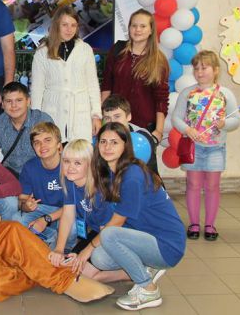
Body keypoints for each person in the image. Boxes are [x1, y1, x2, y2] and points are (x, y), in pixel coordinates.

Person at [71, 123, 186, 311]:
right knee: (100, 258)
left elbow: (117, 222)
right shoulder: (110, 172)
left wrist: (85, 251)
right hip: (145, 238)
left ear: (125, 146)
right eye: (103, 142)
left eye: (114, 142)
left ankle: (148, 289)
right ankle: (148, 268)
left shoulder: (132, 175)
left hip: (167, 244)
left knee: (108, 236)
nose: (107, 147)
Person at [171, 50, 240, 241]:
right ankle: (194, 223)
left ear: (216, 70)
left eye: (204, 68)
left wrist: (225, 123)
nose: (199, 72)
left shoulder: (225, 94)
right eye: (196, 68)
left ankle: (210, 225)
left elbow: (236, 119)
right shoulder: (187, 93)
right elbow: (176, 117)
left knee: (212, 186)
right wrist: (187, 129)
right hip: (193, 148)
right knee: (193, 185)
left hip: (216, 148)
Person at [31, 6, 102, 143]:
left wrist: (96, 115)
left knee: (80, 152)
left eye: (73, 25)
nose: (69, 29)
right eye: (65, 25)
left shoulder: (85, 50)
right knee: (53, 149)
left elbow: (93, 84)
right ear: (56, 25)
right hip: (52, 113)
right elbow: (37, 88)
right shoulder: (42, 52)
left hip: (80, 114)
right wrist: (36, 118)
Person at [101, 9, 169, 142]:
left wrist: (159, 131)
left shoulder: (158, 60)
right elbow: (106, 85)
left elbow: (161, 99)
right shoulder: (117, 50)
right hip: (116, 122)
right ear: (129, 28)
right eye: (134, 25)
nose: (138, 30)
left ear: (151, 30)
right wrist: (102, 118)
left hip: (144, 127)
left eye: (143, 26)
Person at [48, 139, 113, 267]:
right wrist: (59, 249)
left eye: (77, 163)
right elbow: (67, 215)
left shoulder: (101, 191)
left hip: (113, 233)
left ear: (90, 165)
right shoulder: (70, 180)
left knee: (91, 262)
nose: (70, 167)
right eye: (66, 161)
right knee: (68, 265)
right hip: (94, 230)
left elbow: (106, 231)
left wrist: (84, 254)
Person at [18, 122, 75, 249]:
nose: (42, 145)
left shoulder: (71, 165)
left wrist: (46, 219)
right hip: (42, 208)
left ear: (59, 145)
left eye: (47, 140)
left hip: (68, 209)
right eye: (37, 142)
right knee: (17, 219)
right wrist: (26, 205)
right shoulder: (30, 166)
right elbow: (22, 199)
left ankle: (65, 248)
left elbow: (75, 205)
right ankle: (51, 237)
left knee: (71, 229)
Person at [0, 82, 53, 177]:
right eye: (9, 101)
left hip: (39, 173)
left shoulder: (41, 119)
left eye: (19, 100)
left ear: (28, 101)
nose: (14, 105)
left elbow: (53, 153)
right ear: (2, 104)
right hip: (10, 174)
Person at [102, 94, 159, 177]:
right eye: (107, 118)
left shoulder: (142, 138)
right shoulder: (102, 139)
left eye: (117, 116)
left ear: (128, 116)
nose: (112, 122)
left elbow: (150, 174)